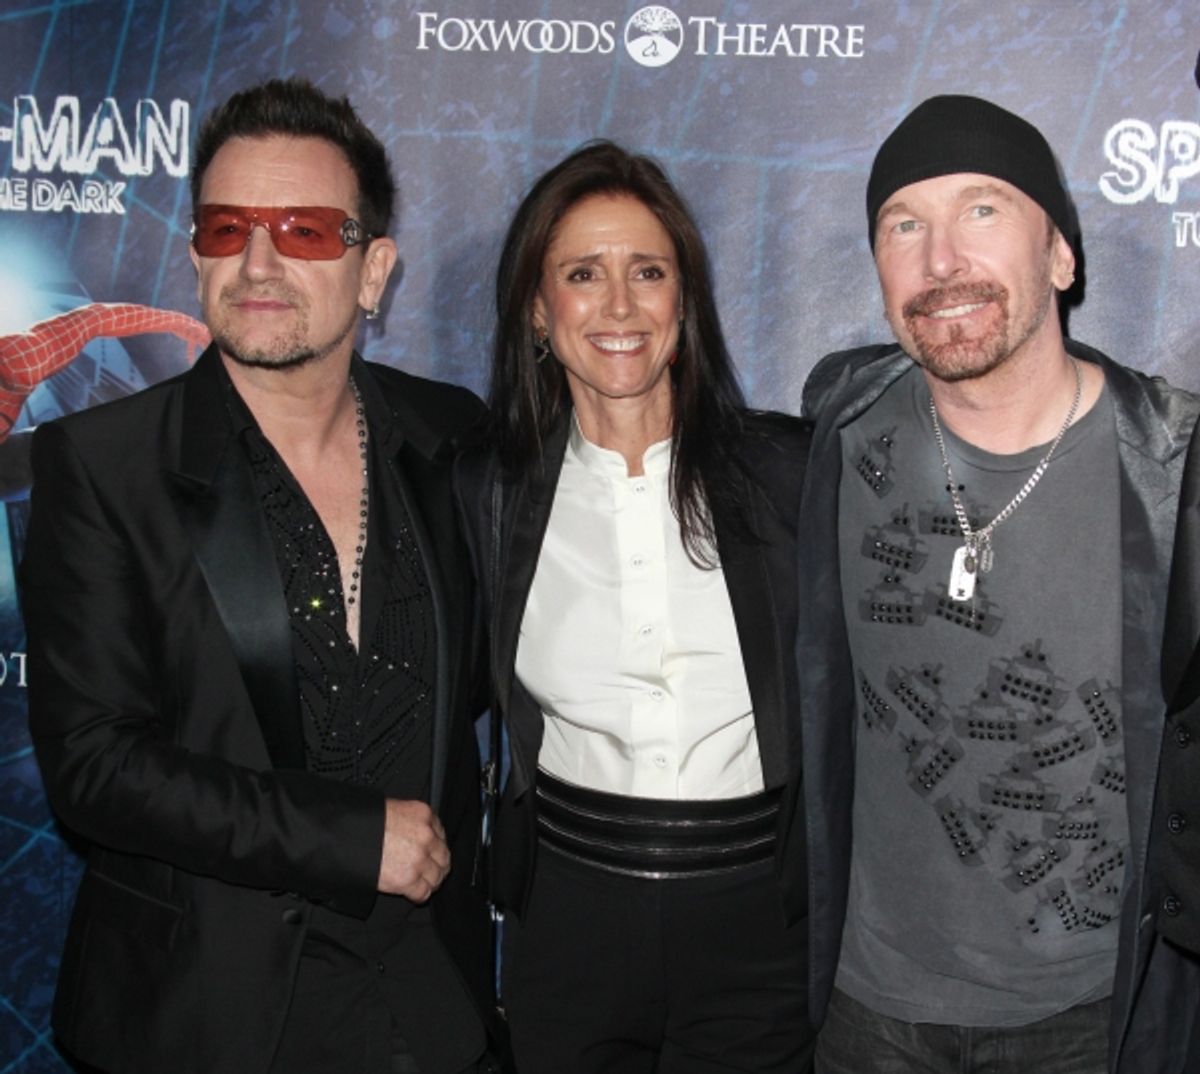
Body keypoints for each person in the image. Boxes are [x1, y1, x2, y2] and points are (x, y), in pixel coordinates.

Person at [21, 78, 498, 1074]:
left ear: (375, 272)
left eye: (309, 231)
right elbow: (96, 766)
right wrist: (346, 838)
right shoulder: (104, 465)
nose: (260, 261)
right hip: (209, 1015)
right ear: (195, 252)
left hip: (428, 1005)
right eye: (227, 227)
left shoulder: (450, 438)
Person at [797, 94, 1200, 1074]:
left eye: (982, 210)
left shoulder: (1178, 469)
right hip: (863, 1015)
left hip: (1094, 1020)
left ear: (1060, 257)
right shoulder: (838, 439)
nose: (941, 261)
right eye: (905, 226)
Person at [455, 141, 816, 1073]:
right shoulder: (483, 491)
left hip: (757, 929)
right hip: (568, 918)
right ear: (539, 308)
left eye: (647, 273)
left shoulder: (790, 474)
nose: (618, 306)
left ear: (682, 303)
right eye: (583, 274)